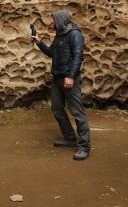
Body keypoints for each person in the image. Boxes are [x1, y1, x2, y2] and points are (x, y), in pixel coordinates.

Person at [32, 9, 91, 160]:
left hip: (69, 79)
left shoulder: (75, 34)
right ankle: (70, 138)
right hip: (58, 79)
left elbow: (78, 56)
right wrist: (39, 43)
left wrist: (71, 76)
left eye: (52, 20)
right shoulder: (59, 36)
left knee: (77, 112)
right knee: (57, 108)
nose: (50, 22)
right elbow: (52, 53)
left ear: (60, 20)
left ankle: (84, 147)